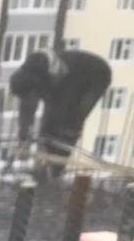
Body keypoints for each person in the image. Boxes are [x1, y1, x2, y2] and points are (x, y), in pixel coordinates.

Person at [10, 48, 112, 180]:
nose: (31, 99)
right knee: (49, 125)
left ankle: (55, 171)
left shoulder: (64, 80)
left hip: (95, 76)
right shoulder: (27, 78)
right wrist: (23, 135)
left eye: (32, 95)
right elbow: (26, 107)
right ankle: (44, 168)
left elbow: (57, 114)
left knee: (69, 123)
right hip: (61, 76)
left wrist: (48, 140)